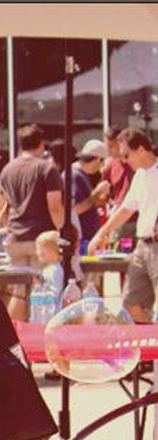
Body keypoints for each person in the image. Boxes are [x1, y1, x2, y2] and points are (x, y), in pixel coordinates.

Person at [88, 127, 158, 323]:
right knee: (130, 304)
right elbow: (125, 210)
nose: (124, 161)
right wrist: (101, 233)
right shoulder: (140, 176)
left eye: (126, 155)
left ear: (142, 150)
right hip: (143, 246)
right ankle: (150, 347)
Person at [0, 124, 64, 320]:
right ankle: (36, 337)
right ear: (41, 144)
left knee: (19, 291)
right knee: (41, 294)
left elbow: (1, 208)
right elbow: (55, 207)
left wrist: (7, 227)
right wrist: (61, 232)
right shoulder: (47, 168)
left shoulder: (8, 169)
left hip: (14, 238)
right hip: (41, 238)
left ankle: (16, 337)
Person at [70, 140, 110, 248]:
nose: (101, 167)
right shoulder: (75, 176)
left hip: (86, 237)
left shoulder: (81, 175)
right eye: (102, 162)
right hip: (82, 238)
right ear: (97, 159)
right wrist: (97, 192)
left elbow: (87, 203)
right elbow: (77, 208)